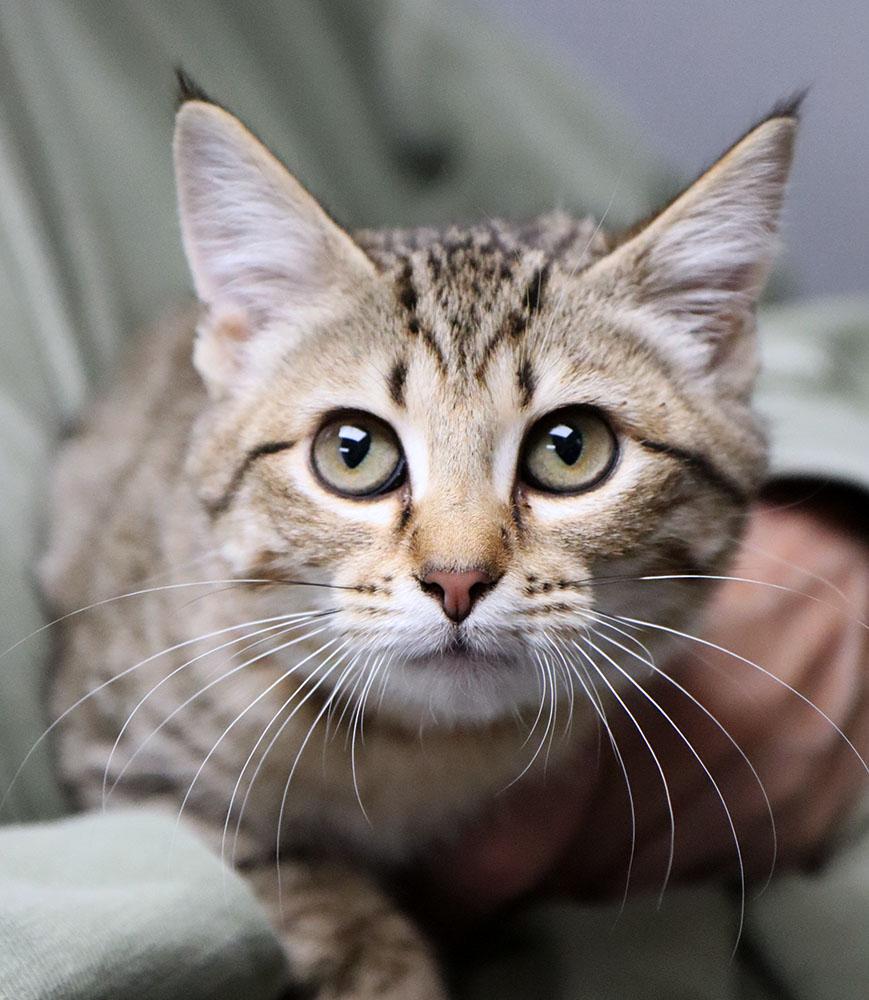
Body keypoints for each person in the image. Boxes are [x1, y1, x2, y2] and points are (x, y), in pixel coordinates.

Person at [0, 2, 866, 998]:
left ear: (713, 341)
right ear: (239, 345)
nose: (456, 565)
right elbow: (118, 761)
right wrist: (344, 934)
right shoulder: (208, 677)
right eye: (357, 452)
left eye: (566, 448)